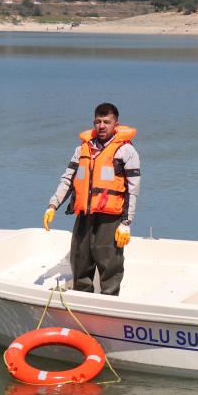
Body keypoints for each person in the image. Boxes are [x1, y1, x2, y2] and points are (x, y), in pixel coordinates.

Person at [43, 103, 140, 295]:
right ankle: (82, 301)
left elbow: (133, 189)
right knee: (79, 260)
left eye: (106, 122)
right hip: (85, 215)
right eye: (98, 121)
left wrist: (126, 223)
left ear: (116, 124)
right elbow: (68, 180)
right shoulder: (82, 150)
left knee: (110, 263)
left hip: (110, 219)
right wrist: (52, 205)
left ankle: (109, 304)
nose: (102, 126)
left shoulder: (126, 151)